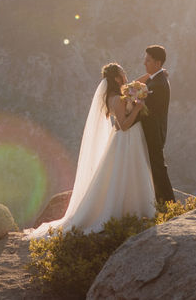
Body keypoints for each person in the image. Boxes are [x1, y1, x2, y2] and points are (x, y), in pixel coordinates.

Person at [24, 63, 155, 239]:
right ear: (117, 78)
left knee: (125, 174)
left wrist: (148, 77)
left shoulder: (117, 94)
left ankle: (132, 211)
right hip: (126, 140)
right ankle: (124, 213)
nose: (126, 76)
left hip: (129, 141)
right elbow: (123, 125)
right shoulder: (116, 98)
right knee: (123, 175)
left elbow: (131, 86)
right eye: (123, 73)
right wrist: (137, 108)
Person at [136, 44, 176, 203]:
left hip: (153, 132)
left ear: (158, 63)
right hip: (151, 131)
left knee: (158, 167)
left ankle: (168, 202)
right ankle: (161, 200)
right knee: (154, 167)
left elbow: (147, 110)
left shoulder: (158, 84)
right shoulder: (156, 80)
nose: (144, 63)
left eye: (148, 60)